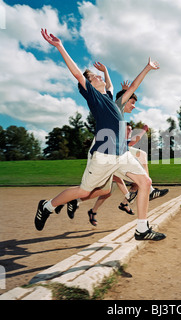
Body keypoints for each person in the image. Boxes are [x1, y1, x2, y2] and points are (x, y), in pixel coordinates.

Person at [35, 29, 166, 241]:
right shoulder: (95, 98)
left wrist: (147, 68)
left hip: (121, 155)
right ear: (88, 86)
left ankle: (142, 229)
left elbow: (131, 86)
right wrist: (60, 46)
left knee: (145, 182)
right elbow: (78, 74)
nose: (97, 77)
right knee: (84, 192)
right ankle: (47, 206)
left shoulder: (113, 100)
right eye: (93, 77)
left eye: (97, 76)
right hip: (103, 156)